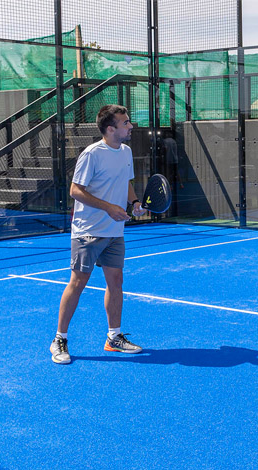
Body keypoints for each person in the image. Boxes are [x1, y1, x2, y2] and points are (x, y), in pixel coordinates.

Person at [50, 104, 147, 364]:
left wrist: (134, 202)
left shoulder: (125, 151)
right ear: (110, 128)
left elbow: (125, 182)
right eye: (125, 123)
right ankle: (59, 340)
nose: (130, 126)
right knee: (78, 283)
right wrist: (109, 208)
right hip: (88, 231)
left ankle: (114, 337)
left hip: (115, 231)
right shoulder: (92, 154)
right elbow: (75, 190)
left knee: (116, 283)